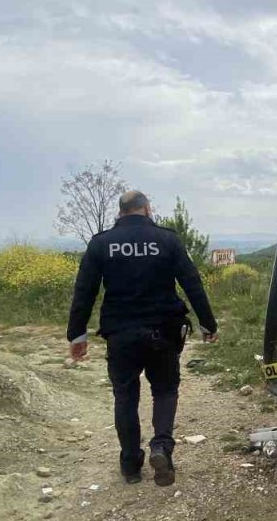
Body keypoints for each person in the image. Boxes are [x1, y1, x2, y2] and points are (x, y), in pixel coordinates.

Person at [66, 190, 218, 487]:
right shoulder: (167, 240)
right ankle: (161, 446)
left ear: (121, 211)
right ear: (147, 209)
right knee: (164, 391)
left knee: (125, 397)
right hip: (163, 331)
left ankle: (131, 465)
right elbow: (192, 283)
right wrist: (207, 323)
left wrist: (77, 334)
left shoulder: (101, 244)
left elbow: (84, 292)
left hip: (121, 335)